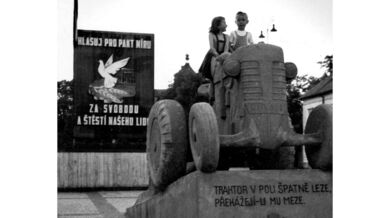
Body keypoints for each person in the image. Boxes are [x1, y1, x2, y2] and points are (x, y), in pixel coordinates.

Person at [199, 16, 230, 80]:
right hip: (214, 55)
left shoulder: (227, 36)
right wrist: (217, 56)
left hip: (223, 56)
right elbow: (212, 48)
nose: (226, 25)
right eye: (224, 23)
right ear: (218, 25)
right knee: (213, 75)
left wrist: (223, 57)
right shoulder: (211, 35)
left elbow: (226, 49)